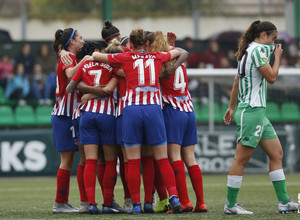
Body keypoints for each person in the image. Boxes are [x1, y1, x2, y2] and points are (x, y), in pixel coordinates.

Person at [90, 28, 183, 214]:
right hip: (153, 110)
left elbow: (96, 56)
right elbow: (178, 52)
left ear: (131, 44)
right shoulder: (156, 56)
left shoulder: (125, 58)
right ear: (147, 44)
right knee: (162, 158)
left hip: (131, 110)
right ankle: (173, 196)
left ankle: (137, 205)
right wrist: (169, 49)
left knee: (131, 161)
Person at [223, 20, 300, 215]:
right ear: (264, 34)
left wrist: (232, 107)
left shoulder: (248, 50)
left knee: (276, 153)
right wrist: (278, 57)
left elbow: (236, 82)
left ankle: (283, 202)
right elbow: (272, 78)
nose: (273, 44)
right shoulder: (258, 51)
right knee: (241, 159)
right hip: (251, 111)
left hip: (257, 112)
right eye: (272, 39)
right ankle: (230, 205)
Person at [147, 31, 207, 213]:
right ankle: (201, 202)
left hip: (173, 110)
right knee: (191, 158)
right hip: (189, 110)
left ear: (150, 45)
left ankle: (184, 201)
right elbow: (183, 52)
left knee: (174, 157)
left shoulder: (158, 59)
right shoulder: (176, 52)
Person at [51, 27, 88, 213]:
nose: (83, 41)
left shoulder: (70, 56)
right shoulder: (69, 58)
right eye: (80, 38)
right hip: (64, 115)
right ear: (71, 41)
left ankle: (65, 201)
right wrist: (87, 61)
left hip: (70, 114)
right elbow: (70, 75)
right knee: (67, 160)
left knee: (74, 159)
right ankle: (59, 202)